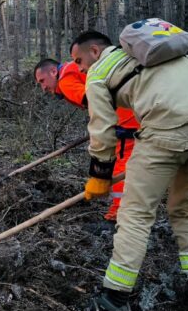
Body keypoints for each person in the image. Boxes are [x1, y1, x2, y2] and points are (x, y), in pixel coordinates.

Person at [71, 29, 188, 311]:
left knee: (135, 213)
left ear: (94, 52)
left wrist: (99, 175)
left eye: (79, 60)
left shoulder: (98, 73)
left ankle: (114, 298)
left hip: (168, 130)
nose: (80, 69)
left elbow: (102, 131)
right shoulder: (160, 55)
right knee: (187, 209)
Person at [33, 53, 140, 221]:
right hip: (130, 112)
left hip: (126, 121)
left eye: (42, 81)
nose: (43, 88)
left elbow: (95, 100)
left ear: (53, 71)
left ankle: (118, 215)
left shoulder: (65, 80)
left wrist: (102, 128)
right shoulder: (73, 69)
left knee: (120, 167)